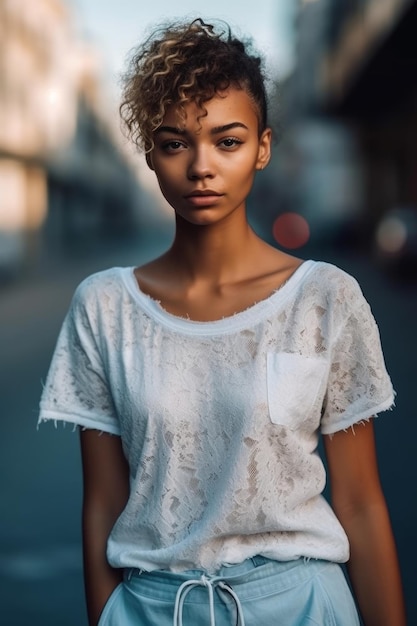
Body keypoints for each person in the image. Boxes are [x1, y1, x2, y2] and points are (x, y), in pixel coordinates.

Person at [38, 18, 406, 626]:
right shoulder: (103, 307)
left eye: (227, 141)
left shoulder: (326, 299)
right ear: (151, 154)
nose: (201, 166)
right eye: (176, 142)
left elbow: (362, 503)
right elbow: (102, 503)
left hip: (302, 607)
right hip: (151, 609)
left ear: (263, 146)